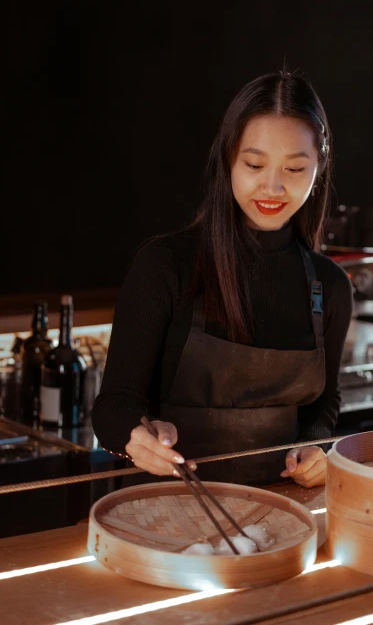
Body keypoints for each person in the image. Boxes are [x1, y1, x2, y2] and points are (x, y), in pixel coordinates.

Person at [92, 70, 353, 488]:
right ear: (228, 158)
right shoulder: (165, 264)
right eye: (254, 164)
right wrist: (135, 437)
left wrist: (319, 445)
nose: (273, 186)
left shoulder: (331, 286)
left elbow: (324, 404)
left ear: (318, 169)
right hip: (165, 510)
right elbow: (112, 407)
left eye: (295, 168)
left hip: (283, 511)